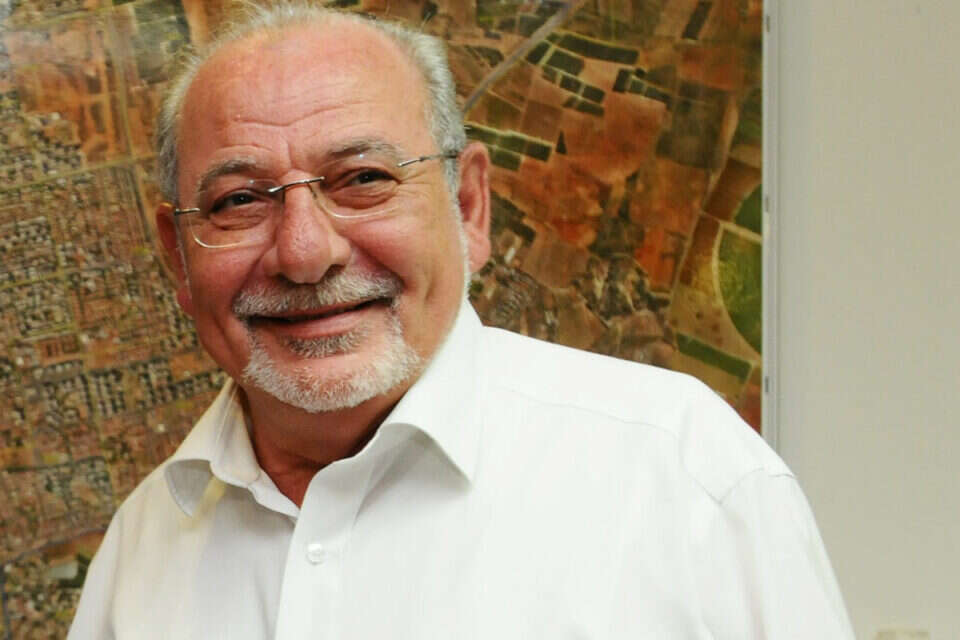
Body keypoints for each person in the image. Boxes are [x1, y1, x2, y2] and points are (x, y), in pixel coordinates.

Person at [69, 3, 854, 638]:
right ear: (179, 256)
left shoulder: (685, 480)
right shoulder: (141, 553)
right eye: (240, 199)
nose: (304, 253)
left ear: (469, 205)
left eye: (363, 179)